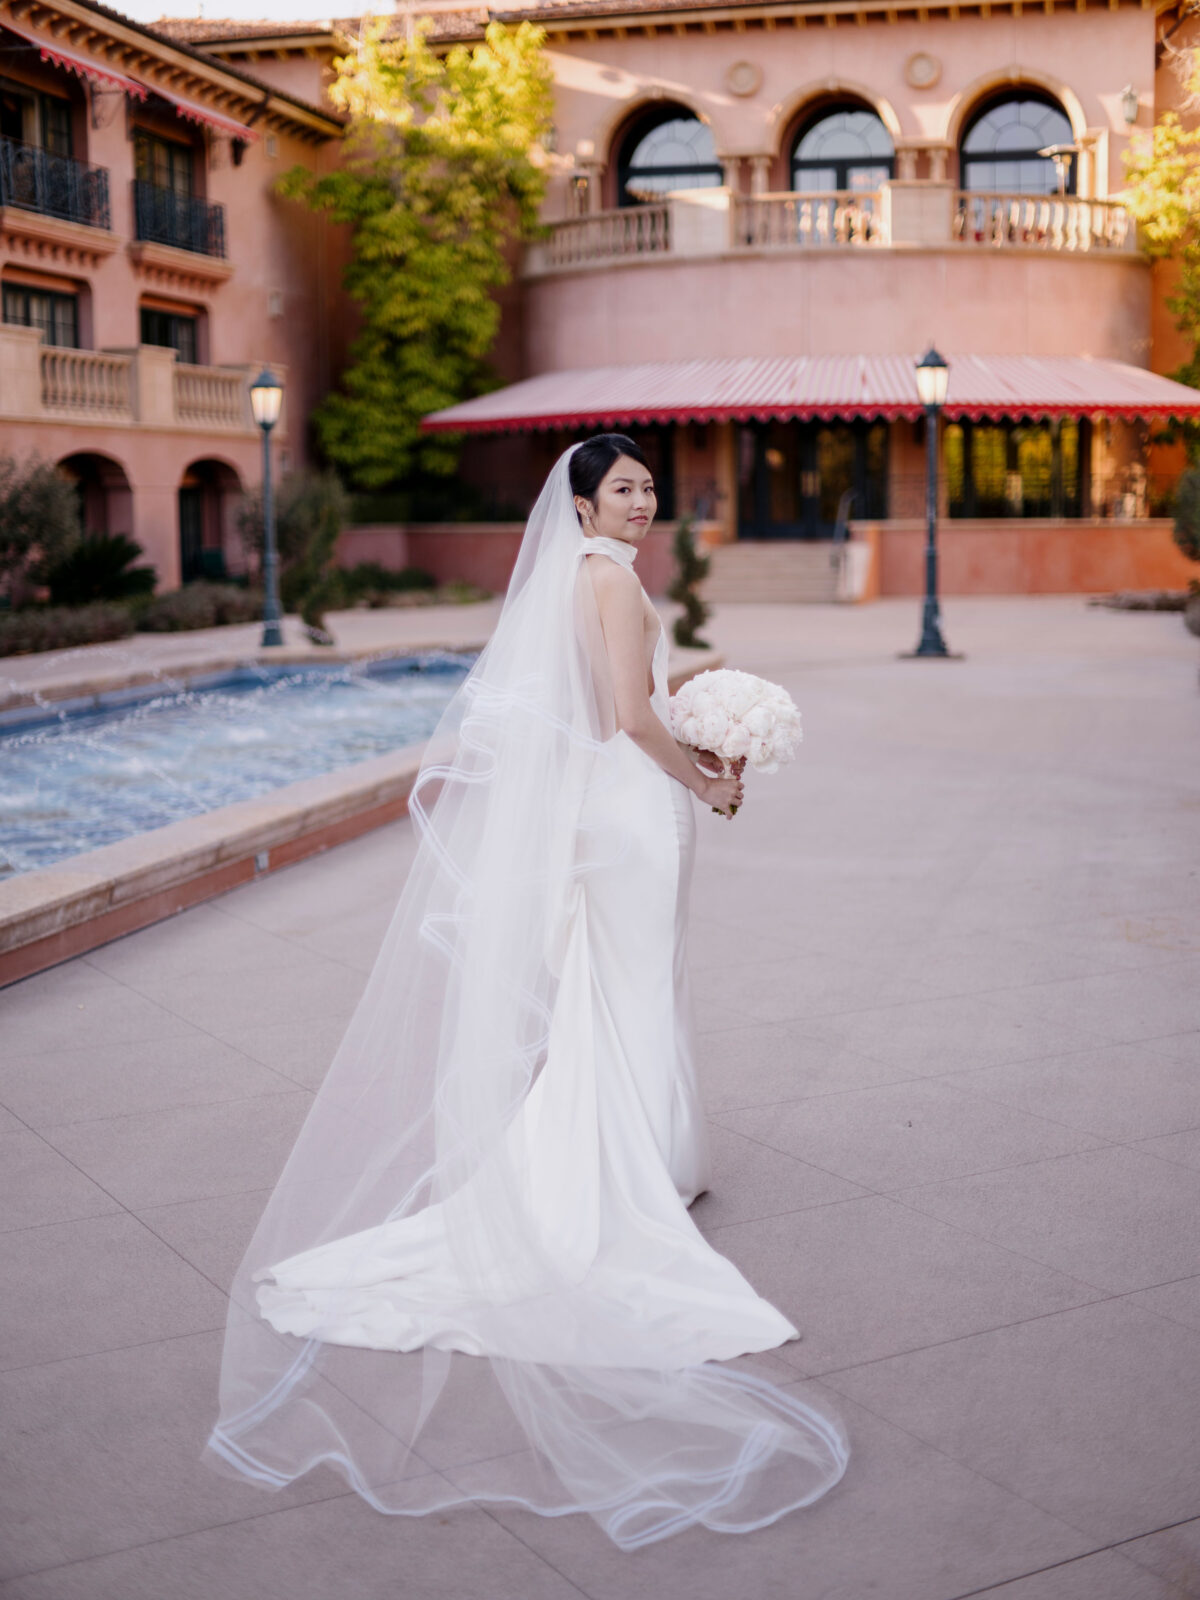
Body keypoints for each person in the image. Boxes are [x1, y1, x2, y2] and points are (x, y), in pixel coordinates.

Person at [204, 436, 848, 1550]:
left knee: (626, 983)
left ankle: (649, 1155)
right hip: (630, 808)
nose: (643, 503)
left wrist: (703, 717)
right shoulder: (602, 579)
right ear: (585, 504)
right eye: (624, 490)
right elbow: (619, 719)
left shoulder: (586, 576)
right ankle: (628, 1171)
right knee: (638, 984)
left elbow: (630, 697)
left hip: (615, 807)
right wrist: (703, 775)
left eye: (649, 487)